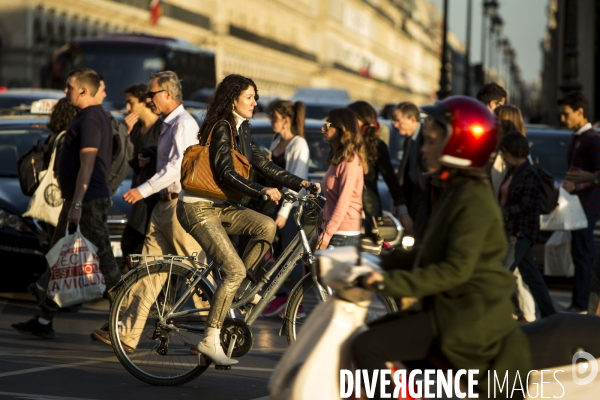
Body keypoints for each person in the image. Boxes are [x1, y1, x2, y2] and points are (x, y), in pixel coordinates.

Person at [351, 96, 531, 398]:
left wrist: (386, 281)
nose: (424, 148)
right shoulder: (454, 190)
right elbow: (427, 254)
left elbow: (454, 270)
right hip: (449, 311)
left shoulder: (473, 198)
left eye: (432, 141)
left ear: (459, 146)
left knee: (367, 346)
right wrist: (377, 262)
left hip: (469, 320)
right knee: (374, 341)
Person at [176, 74, 315, 365]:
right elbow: (226, 173)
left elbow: (262, 164)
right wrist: (262, 190)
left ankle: (238, 290)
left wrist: (299, 183)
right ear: (233, 100)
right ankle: (210, 337)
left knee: (265, 226)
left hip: (222, 207)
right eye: (250, 97)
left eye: (255, 97)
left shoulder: (244, 128)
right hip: (198, 208)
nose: (255, 102)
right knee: (234, 269)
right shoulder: (222, 128)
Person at [91, 71, 205, 349]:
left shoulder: (183, 124)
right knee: (148, 272)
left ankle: (219, 332)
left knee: (198, 272)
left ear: (167, 94)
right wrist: (150, 155)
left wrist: (141, 190)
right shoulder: (170, 123)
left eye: (152, 94)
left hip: (179, 205)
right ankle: (128, 336)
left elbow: (176, 168)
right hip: (163, 207)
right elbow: (168, 162)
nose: (148, 99)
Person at [12, 68, 121, 338]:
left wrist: (78, 204)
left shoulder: (91, 119)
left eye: (70, 87)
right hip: (79, 199)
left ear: (83, 90)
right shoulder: (87, 117)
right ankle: (44, 317)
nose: (65, 91)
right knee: (59, 253)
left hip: (88, 200)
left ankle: (124, 318)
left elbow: (88, 163)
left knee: (105, 260)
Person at [261, 100, 310, 317]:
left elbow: (295, 183)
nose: (271, 121)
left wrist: (283, 213)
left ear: (286, 119)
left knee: (292, 257)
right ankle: (280, 296)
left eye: (274, 117)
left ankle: (295, 303)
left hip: (291, 209)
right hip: (272, 205)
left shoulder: (299, 144)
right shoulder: (275, 141)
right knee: (271, 254)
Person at [499, 131, 556, 318]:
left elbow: (526, 205)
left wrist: (503, 214)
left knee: (502, 273)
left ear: (513, 152)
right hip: (511, 230)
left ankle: (498, 313)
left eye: (505, 153)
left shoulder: (529, 173)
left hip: (520, 232)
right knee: (532, 275)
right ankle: (550, 314)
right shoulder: (513, 171)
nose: (502, 156)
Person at [558, 91, 600, 314]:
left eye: (566, 114)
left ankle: (582, 305)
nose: (562, 119)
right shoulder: (577, 138)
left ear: (580, 112)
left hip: (588, 207)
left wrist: (579, 185)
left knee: (584, 256)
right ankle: (579, 303)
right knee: (579, 254)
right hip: (576, 207)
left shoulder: (593, 139)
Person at [119, 83, 161, 263]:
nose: (128, 108)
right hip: (137, 191)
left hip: (154, 195)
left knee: (136, 243)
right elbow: (125, 159)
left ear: (144, 102)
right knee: (129, 244)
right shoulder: (135, 128)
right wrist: (126, 133)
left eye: (131, 103)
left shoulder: (161, 127)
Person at [347, 101, 408, 223]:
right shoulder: (344, 144)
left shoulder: (377, 146)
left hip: (367, 207)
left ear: (361, 121)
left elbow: (390, 178)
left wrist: (403, 210)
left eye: (350, 119)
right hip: (344, 207)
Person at [314, 108, 367, 250]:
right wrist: (321, 219)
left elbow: (343, 201)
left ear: (342, 128)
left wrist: (326, 235)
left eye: (329, 125)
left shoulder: (350, 161)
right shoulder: (338, 159)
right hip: (332, 230)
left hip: (343, 234)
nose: (323, 128)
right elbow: (332, 200)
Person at [392, 102, 424, 239]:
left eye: (399, 121)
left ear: (412, 119)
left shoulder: (427, 138)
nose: (395, 125)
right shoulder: (408, 141)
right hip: (412, 199)